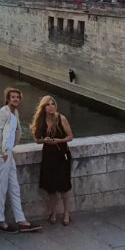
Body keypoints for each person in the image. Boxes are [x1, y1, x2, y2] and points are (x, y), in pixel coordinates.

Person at [0, 87, 40, 233]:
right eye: (13, 97)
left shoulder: (15, 112)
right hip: (0, 154)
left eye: (18, 97)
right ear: (8, 99)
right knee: (2, 187)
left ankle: (21, 220)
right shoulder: (2, 113)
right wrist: (3, 152)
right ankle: (0, 221)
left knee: (14, 187)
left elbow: (13, 134)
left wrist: (9, 150)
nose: (16, 99)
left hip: (8, 153)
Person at [30, 95, 73, 224]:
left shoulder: (61, 118)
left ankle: (66, 213)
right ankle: (53, 212)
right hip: (48, 155)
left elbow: (70, 137)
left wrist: (59, 140)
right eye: (48, 105)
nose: (51, 107)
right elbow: (37, 140)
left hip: (61, 155)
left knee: (64, 186)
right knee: (51, 187)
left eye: (52, 104)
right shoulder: (40, 121)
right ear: (44, 107)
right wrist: (45, 140)